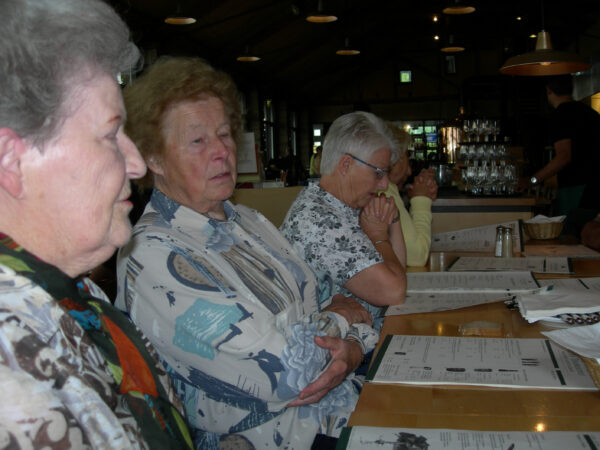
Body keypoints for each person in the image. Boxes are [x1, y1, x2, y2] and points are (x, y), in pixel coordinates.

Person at [116, 57, 377, 450]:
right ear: (153, 158)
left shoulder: (250, 221)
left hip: (345, 404)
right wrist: (344, 327)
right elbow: (287, 371)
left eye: (224, 134)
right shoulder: (151, 255)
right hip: (282, 437)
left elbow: (337, 303)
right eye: (198, 141)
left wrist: (351, 342)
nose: (221, 151)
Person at [0, 0, 193, 447]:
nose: (136, 164)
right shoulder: (11, 366)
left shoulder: (75, 291)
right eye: (110, 135)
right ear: (12, 162)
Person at [280, 112, 407, 330]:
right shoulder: (321, 221)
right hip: (344, 343)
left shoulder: (340, 207)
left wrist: (392, 219)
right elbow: (393, 292)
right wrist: (378, 236)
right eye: (378, 173)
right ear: (346, 165)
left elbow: (399, 272)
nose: (385, 184)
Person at [519, 75, 600, 216]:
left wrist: (532, 180)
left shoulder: (561, 115)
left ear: (548, 90)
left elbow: (564, 156)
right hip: (595, 184)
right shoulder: (590, 113)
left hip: (577, 188)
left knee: (572, 227)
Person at [380, 126, 438, 267]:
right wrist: (421, 200)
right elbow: (416, 257)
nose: (409, 171)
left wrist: (413, 195)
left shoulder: (386, 190)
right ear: (394, 159)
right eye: (407, 156)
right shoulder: (385, 192)